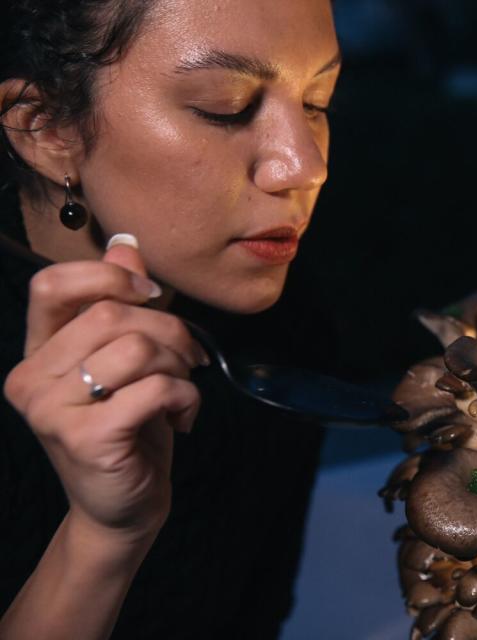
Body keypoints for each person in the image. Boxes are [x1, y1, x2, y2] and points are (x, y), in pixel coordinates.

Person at [0, 0, 341, 638]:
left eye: (317, 101)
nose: (304, 165)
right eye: (226, 106)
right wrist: (102, 537)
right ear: (44, 129)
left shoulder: (279, 335)